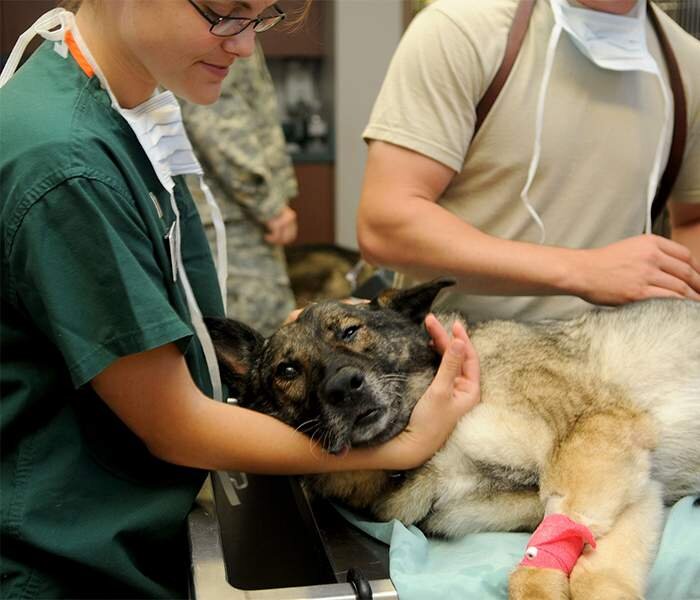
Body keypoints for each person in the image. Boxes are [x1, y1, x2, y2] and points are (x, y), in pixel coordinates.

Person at [0, 1, 481, 598]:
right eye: (224, 13)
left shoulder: (131, 115)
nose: (245, 46)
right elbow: (174, 425)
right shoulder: (67, 165)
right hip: (63, 564)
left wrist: (300, 350)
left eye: (262, 19)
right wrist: (409, 442)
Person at [358, 0, 700, 323]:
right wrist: (582, 270)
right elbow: (385, 225)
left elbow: (692, 219)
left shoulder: (688, 66)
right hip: (456, 358)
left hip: (612, 363)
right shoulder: (463, 30)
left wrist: (672, 318)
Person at [181, 39, 299, 336]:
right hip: (230, 218)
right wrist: (269, 206)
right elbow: (218, 122)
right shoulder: (224, 23)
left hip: (224, 212)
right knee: (258, 342)